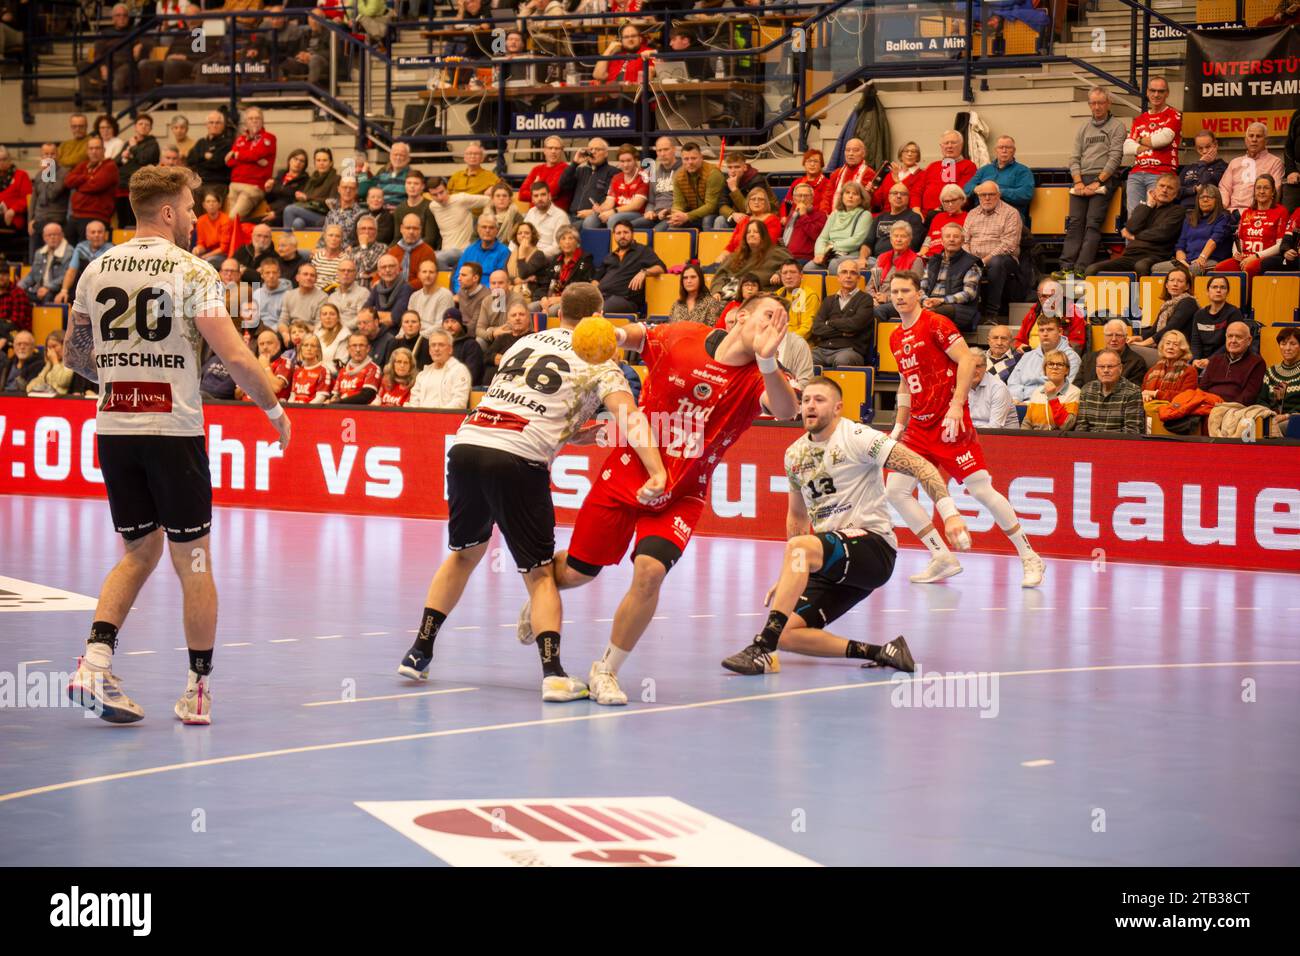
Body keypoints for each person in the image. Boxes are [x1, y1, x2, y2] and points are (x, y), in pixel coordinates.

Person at [61, 163, 290, 725]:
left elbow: (74, 353)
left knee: (138, 551)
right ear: (167, 212)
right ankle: (197, 691)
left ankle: (94, 663)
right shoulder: (193, 272)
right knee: (193, 558)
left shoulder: (96, 267)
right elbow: (235, 356)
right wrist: (274, 409)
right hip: (172, 431)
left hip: (114, 428)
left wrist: (125, 373)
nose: (193, 216)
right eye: (189, 207)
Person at [522, 292, 798, 705]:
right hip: (627, 473)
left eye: (782, 324)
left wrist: (767, 361)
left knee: (650, 571)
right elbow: (628, 337)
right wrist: (608, 332)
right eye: (768, 316)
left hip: (682, 492)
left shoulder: (766, 374)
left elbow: (786, 409)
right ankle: (541, 596)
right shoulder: (683, 335)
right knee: (579, 573)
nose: (774, 327)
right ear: (739, 316)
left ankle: (606, 670)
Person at [396, 282, 667, 702]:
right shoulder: (600, 358)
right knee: (540, 573)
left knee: (465, 553)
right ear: (598, 318)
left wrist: (570, 433)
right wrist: (655, 469)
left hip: (468, 442)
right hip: (517, 457)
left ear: (561, 313)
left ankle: (419, 651)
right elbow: (629, 417)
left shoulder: (528, 341)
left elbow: (526, 400)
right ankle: (554, 674)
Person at [721, 377, 970, 675]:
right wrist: (791, 571)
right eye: (806, 400)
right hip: (832, 557)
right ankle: (884, 651)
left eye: (819, 400)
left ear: (838, 407)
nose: (810, 405)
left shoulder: (858, 437)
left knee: (800, 551)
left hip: (873, 549)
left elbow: (920, 466)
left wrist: (950, 512)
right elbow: (797, 517)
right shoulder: (794, 454)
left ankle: (761, 647)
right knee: (787, 633)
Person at [884, 270, 1045, 587]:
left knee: (982, 490)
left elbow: (968, 361)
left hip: (949, 421)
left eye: (905, 291)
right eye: (894, 292)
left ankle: (1030, 557)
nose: (899, 296)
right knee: (895, 491)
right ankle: (941, 556)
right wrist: (899, 424)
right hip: (918, 425)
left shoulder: (936, 323)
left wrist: (957, 404)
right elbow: (906, 382)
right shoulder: (894, 336)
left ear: (918, 293)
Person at [1059, 87, 1127, 277]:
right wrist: (1078, 182)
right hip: (1081, 180)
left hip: (1104, 179)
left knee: (1092, 223)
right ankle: (1066, 267)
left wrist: (1097, 182)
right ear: (1089, 105)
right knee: (1074, 223)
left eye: (1101, 102)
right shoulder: (1083, 127)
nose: (1097, 107)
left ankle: (1081, 269)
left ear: (1108, 103)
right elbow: (1074, 157)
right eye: (1093, 103)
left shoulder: (1117, 126)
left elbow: (1115, 158)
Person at [1086, 173, 1185, 276]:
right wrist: (1149, 204)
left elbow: (1162, 233)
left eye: (1170, 188)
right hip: (1130, 255)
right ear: (1154, 189)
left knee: (1141, 266)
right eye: (1161, 186)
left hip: (1156, 255)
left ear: (1175, 194)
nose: (1164, 190)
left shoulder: (1178, 211)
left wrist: (1134, 237)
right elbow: (1131, 227)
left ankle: (1141, 293)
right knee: (1092, 269)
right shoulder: (1144, 208)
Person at [963, 181, 1022, 322]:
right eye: (983, 195)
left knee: (996, 263)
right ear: (978, 196)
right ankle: (967, 314)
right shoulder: (972, 213)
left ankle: (991, 313)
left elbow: (1009, 245)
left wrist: (982, 261)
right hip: (974, 258)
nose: (987, 198)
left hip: (1004, 258)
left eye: (991, 194)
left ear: (999, 195)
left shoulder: (1010, 213)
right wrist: (970, 260)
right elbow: (964, 241)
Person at [1123, 76, 1181, 216]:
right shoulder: (1140, 119)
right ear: (1147, 92)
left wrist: (1140, 140)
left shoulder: (1174, 115)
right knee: (1134, 218)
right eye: (1153, 91)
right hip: (1136, 173)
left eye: (1161, 91)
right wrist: (1150, 143)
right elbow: (1126, 148)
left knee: (1155, 217)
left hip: (1161, 174)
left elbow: (1163, 139)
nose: (1156, 95)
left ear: (1167, 93)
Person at [1213, 174, 1289, 277]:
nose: (1261, 191)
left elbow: (1280, 245)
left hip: (1265, 258)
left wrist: (1256, 256)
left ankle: (1248, 294)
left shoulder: (1281, 211)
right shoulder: (1247, 212)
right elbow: (1238, 239)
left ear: (1273, 192)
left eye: (1266, 188)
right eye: (1258, 188)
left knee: (1250, 268)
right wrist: (1235, 253)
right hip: (1244, 258)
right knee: (1220, 268)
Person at [1153, 184, 1233, 276]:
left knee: (1195, 268)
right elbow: (1180, 245)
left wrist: (1202, 257)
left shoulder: (1223, 217)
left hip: (1211, 259)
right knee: (1156, 268)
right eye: (1201, 197)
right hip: (1189, 261)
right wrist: (1181, 262)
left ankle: (1190, 289)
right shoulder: (1190, 219)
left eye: (1210, 197)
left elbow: (1214, 240)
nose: (1205, 200)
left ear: (1217, 200)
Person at [919, 223, 982, 332]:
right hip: (930, 304)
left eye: (956, 237)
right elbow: (922, 287)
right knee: (896, 308)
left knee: (928, 313)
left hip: (958, 309)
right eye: (948, 236)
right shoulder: (933, 261)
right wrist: (924, 300)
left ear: (962, 241)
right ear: (942, 241)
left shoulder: (971, 263)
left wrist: (942, 300)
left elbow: (969, 294)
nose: (951, 240)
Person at [810, 259, 872, 368]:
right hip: (822, 350)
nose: (848, 276)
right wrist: (843, 332)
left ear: (858, 278)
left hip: (850, 350)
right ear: (838, 277)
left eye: (853, 273)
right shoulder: (828, 300)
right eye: (844, 272)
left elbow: (855, 325)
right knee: (804, 359)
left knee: (843, 360)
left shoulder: (865, 299)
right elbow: (817, 328)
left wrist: (829, 323)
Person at [596, 220, 665, 315]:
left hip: (625, 300)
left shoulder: (642, 251)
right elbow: (596, 279)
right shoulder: (610, 256)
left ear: (633, 234)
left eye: (626, 232)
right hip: (602, 296)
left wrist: (644, 272)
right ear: (614, 236)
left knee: (598, 310)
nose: (622, 236)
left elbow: (661, 268)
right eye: (618, 233)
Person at [1007, 313, 1081, 400]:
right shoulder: (1028, 356)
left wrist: (1034, 402)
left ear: (1060, 332)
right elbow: (1013, 383)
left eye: (1050, 330)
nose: (1045, 334)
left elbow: (1065, 387)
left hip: (1050, 403)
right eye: (1041, 330)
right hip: (1020, 404)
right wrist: (1016, 399)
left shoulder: (1071, 357)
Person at [710, 220, 791, 299]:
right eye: (748, 232)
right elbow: (721, 274)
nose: (751, 234)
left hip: (760, 298)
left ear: (763, 235)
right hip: (729, 295)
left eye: (756, 232)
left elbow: (792, 265)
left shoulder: (776, 252)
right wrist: (717, 291)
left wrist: (779, 273)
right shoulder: (735, 256)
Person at [965, 135, 1035, 224]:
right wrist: (976, 189)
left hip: (1009, 215)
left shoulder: (1023, 171)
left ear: (1013, 151)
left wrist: (997, 192)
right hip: (981, 214)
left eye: (1008, 147)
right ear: (996, 150)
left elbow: (1026, 194)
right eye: (1001, 147)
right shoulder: (984, 170)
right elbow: (967, 188)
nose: (1004, 150)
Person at [1218, 123, 1285, 214]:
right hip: (1231, 212)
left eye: (1258, 136)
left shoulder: (1275, 162)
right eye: (1251, 136)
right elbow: (1224, 188)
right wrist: (1223, 208)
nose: (1254, 140)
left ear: (1266, 140)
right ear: (1245, 140)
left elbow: (1275, 192)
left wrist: (1260, 210)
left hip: (1257, 212)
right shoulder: (1235, 162)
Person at [427, 176, 491, 269]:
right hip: (445, 252)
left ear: (447, 190)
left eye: (441, 192)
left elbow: (487, 200)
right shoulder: (433, 207)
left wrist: (485, 219)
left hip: (464, 250)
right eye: (435, 195)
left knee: (437, 258)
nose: (439, 197)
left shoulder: (461, 199)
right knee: (425, 257)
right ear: (429, 195)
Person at [1072, 350, 1145, 433]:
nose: (1105, 370)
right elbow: (1081, 427)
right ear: (1096, 369)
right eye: (1101, 367)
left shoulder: (1133, 392)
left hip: (1119, 443)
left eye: (1110, 366)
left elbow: (1132, 431)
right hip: (1091, 443)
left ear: (1120, 368)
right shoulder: (1086, 389)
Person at [224, 107, 276, 220]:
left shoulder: (269, 138)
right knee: (232, 221)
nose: (254, 121)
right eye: (250, 118)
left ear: (262, 121)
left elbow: (256, 154)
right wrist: (253, 158)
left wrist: (238, 154)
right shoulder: (240, 139)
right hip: (234, 185)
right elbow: (229, 162)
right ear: (246, 122)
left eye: (257, 118)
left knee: (233, 218)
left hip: (253, 187)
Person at [1012, 277, 1086, 355]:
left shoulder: (1072, 312)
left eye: (1052, 296)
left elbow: (1076, 345)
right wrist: (1019, 346)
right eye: (1044, 296)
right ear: (1038, 295)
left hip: (1057, 359)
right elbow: (1019, 340)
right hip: (1030, 357)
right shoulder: (1034, 311)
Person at [811, 181, 873, 272]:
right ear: (842, 196)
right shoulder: (835, 214)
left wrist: (831, 247)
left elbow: (856, 240)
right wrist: (820, 253)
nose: (850, 196)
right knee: (809, 267)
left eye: (855, 194)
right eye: (847, 193)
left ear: (861, 199)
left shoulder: (865, 215)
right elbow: (822, 237)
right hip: (829, 253)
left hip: (850, 254)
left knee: (834, 264)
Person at [1132, 264, 1198, 350]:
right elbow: (1154, 330)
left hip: (1179, 351)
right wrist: (1138, 338)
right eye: (1171, 280)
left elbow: (1171, 328)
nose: (1175, 284)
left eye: (1180, 281)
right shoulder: (1167, 305)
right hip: (1164, 348)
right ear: (1166, 285)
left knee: (1134, 349)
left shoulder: (1189, 302)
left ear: (1187, 286)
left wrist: (1144, 343)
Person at [1200, 321, 1265, 405]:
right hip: (1208, 405)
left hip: (1233, 410)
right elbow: (1201, 389)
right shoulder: (1215, 360)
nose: (1233, 340)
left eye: (1238, 337)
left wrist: (1224, 408)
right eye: (1230, 336)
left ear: (1249, 340)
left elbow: (1248, 396)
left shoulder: (1257, 363)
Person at [867, 221, 922, 321]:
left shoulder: (916, 261)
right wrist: (873, 297)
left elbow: (913, 291)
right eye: (895, 236)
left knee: (878, 311)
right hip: (877, 301)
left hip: (899, 302)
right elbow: (869, 286)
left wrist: (887, 298)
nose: (899, 239)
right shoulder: (881, 258)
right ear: (891, 239)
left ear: (909, 240)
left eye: (903, 236)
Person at [113, 114, 161, 228]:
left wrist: (133, 148)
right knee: (122, 222)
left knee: (134, 221)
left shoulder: (153, 144)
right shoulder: (128, 142)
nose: (143, 126)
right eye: (141, 124)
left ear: (150, 128)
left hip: (138, 187)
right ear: (135, 127)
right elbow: (115, 162)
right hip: (122, 187)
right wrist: (123, 156)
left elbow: (144, 159)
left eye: (147, 125)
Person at [53, 220, 114, 306]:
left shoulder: (112, 250)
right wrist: (64, 291)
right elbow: (71, 271)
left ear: (105, 234)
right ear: (87, 235)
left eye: (99, 232)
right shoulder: (81, 248)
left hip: (104, 289)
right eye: (93, 232)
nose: (96, 235)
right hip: (85, 288)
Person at [917, 130, 976, 218]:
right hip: (923, 214)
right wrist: (916, 209)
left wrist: (941, 208)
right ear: (941, 146)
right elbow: (918, 190)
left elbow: (962, 194)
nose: (949, 146)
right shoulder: (933, 166)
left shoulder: (968, 166)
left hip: (947, 213)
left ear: (961, 145)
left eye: (953, 143)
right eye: (946, 143)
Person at [1187, 274, 1242, 366]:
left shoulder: (1234, 313)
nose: (1218, 290)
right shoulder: (1199, 314)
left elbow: (1232, 343)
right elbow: (1196, 342)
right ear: (1208, 291)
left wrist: (1210, 360)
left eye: (1223, 287)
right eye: (1214, 287)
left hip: (1224, 359)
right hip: (1201, 360)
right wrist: (1195, 359)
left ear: (1227, 292)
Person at [280, 147, 341, 230]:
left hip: (324, 215)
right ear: (315, 163)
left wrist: (307, 198)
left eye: (324, 160)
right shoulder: (312, 178)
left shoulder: (336, 179)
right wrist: (301, 197)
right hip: (309, 212)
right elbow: (305, 199)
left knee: (289, 209)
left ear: (331, 163)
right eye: (318, 160)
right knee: (298, 223)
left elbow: (332, 201)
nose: (321, 163)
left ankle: (286, 240)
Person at [667, 142, 725, 230]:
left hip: (714, 213)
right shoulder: (678, 176)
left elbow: (711, 206)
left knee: (707, 219)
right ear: (681, 160)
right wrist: (677, 214)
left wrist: (687, 216)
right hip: (691, 214)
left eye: (693, 158)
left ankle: (706, 244)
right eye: (686, 159)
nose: (690, 162)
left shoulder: (713, 173)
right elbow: (678, 203)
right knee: (673, 223)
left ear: (701, 157)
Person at [560, 139, 616, 228]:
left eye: (597, 149)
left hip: (593, 217)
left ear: (606, 153)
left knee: (567, 231)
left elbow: (609, 199)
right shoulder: (580, 170)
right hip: (571, 215)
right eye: (590, 149)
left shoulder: (613, 172)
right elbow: (563, 185)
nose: (593, 152)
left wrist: (593, 212)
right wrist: (574, 163)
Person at [539, 226, 593, 316]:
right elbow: (545, 283)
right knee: (530, 309)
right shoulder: (556, 260)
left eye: (570, 238)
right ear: (559, 243)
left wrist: (561, 298)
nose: (567, 242)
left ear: (577, 242)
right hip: (550, 299)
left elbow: (583, 289)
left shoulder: (585, 260)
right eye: (563, 238)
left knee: (552, 312)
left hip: (570, 301)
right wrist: (543, 297)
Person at [1075, 319, 1146, 387]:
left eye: (1118, 335)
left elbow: (1133, 392)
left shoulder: (1137, 362)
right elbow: (1077, 387)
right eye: (1109, 335)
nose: (1114, 339)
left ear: (1126, 337)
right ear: (1104, 337)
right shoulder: (1088, 358)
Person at [1021, 351, 1080, 430]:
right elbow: (1027, 424)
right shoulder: (1037, 392)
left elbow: (1067, 425)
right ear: (1045, 369)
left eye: (1059, 364)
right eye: (1050, 364)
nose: (1055, 367)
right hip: (1035, 440)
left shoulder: (1074, 392)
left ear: (1067, 370)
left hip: (1059, 440)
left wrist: (1052, 397)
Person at [452, 213, 509, 293]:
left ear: (497, 230)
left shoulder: (504, 252)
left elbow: (500, 281)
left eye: (491, 227)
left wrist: (477, 293)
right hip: (466, 295)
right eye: (484, 227)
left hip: (490, 295)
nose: (487, 230)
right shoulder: (469, 250)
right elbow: (458, 276)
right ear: (478, 229)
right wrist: (460, 293)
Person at [1258, 327, 1300, 433]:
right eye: (1283, 343)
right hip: (1272, 418)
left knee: (1272, 429)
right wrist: (1271, 414)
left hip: (1295, 420)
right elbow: (1261, 400)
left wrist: (1287, 416)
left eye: (1293, 344)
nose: (1287, 348)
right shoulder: (1271, 372)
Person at [19, 223, 73, 305]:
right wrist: (19, 287)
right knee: (18, 295)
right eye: (49, 235)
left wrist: (47, 288)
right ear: (44, 237)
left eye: (55, 234)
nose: (52, 237)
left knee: (47, 296)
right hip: (38, 289)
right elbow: (32, 275)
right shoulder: (39, 253)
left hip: (56, 291)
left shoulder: (69, 252)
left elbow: (65, 277)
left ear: (62, 235)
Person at [186, 112, 235, 202]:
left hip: (217, 183)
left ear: (223, 125)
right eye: (211, 122)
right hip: (199, 182)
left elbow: (219, 164)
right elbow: (190, 160)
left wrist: (201, 159)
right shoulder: (201, 142)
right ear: (207, 125)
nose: (214, 125)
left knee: (209, 199)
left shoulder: (228, 143)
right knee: (188, 197)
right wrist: (204, 156)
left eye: (217, 123)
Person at [1141, 330, 1198, 404]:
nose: (1171, 347)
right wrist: (1145, 396)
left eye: (1175, 345)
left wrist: (1156, 394)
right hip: (1149, 408)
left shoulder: (1189, 371)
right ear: (1162, 347)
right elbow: (1144, 391)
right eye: (1168, 343)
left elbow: (1186, 397)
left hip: (1173, 410)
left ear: (1183, 349)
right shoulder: (1153, 369)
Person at [967, 348, 1018, 428]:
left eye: (978, 366)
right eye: (969, 366)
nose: (974, 370)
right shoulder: (957, 385)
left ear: (985, 367)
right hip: (970, 433)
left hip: (1001, 436)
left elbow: (995, 427)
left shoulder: (998, 388)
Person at [518, 136, 570, 211]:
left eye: (557, 148)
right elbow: (521, 195)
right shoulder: (536, 169)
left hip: (554, 215)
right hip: (534, 214)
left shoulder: (565, 169)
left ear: (562, 151)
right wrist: (539, 192)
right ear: (544, 150)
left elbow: (552, 192)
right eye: (550, 148)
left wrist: (533, 189)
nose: (553, 151)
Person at [873, 182, 926, 255]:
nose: (898, 196)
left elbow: (913, 244)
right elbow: (868, 242)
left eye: (903, 194)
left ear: (908, 198)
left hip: (899, 259)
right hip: (874, 259)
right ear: (889, 197)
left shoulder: (914, 218)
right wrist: (862, 258)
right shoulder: (880, 218)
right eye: (895, 193)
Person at [1179, 130, 1227, 208]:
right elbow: (1176, 192)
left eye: (1208, 147)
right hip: (1184, 210)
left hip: (1208, 211)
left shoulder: (1222, 167)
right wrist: (1193, 190)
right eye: (1200, 148)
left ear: (1215, 145)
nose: (1204, 151)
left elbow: (1206, 185)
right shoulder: (1188, 168)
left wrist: (1202, 164)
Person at [871, 141, 924, 214]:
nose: (909, 154)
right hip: (885, 215)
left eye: (913, 152)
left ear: (918, 156)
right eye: (906, 151)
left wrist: (897, 180)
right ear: (900, 155)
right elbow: (878, 201)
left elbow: (913, 199)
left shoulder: (922, 175)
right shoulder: (890, 174)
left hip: (906, 215)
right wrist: (871, 192)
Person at [781, 183, 828, 264]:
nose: (802, 199)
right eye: (799, 196)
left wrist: (803, 215)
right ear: (794, 198)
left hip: (804, 258)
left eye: (806, 196)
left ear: (812, 199)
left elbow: (815, 235)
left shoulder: (821, 215)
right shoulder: (792, 214)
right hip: (786, 256)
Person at [522, 181, 569, 260]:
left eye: (543, 194)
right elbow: (520, 233)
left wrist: (536, 255)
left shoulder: (560, 216)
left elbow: (558, 247)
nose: (540, 198)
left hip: (547, 258)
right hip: (528, 254)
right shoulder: (531, 212)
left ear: (549, 196)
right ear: (532, 199)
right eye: (536, 196)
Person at [826, 138, 875, 213]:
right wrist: (825, 213)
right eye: (848, 150)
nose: (850, 154)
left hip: (858, 216)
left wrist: (871, 193)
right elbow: (827, 197)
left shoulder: (869, 173)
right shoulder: (836, 173)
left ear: (863, 153)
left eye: (855, 150)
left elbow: (871, 203)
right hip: (834, 215)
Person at [773, 261, 818, 342]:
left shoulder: (809, 296)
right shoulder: (777, 294)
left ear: (801, 275)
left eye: (793, 272)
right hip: (777, 342)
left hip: (799, 345)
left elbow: (806, 329)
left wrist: (785, 340)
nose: (788, 276)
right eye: (784, 273)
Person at [406, 259, 453, 337]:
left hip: (435, 339)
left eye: (431, 272)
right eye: (424, 272)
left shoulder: (445, 295)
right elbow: (407, 320)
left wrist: (418, 335)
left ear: (437, 274)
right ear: (419, 275)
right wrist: (400, 336)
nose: (427, 275)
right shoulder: (414, 296)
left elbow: (441, 325)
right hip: (414, 336)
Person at [282, 333, 334, 403]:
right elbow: (292, 396)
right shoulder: (297, 371)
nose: (309, 348)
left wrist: (304, 410)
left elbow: (320, 398)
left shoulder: (324, 370)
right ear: (301, 349)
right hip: (296, 409)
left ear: (318, 350)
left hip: (312, 410)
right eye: (306, 345)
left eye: (313, 346)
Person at [921, 184, 969, 258]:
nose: (950, 204)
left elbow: (967, 244)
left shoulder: (968, 218)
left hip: (952, 258)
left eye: (953, 200)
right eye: (946, 201)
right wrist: (921, 254)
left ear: (962, 200)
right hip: (930, 257)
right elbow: (928, 240)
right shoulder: (938, 217)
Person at [507, 221, 550, 302]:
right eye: (520, 233)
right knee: (497, 293)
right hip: (512, 288)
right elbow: (505, 275)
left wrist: (522, 252)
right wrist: (521, 280)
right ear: (516, 236)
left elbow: (523, 273)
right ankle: (497, 314)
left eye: (526, 233)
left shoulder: (538, 255)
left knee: (508, 298)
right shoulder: (512, 253)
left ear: (532, 236)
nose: (523, 235)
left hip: (530, 292)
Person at [367, 254, 413, 329]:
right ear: (378, 272)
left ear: (398, 270)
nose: (387, 270)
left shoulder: (406, 289)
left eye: (391, 266)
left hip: (394, 333)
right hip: (375, 330)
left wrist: (374, 316)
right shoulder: (376, 288)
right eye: (383, 267)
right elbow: (364, 312)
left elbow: (393, 319)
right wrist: (385, 315)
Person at [25, 329, 75, 396]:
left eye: (54, 346)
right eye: (48, 348)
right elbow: (38, 380)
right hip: (48, 398)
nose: (51, 351)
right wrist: (31, 388)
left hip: (63, 400)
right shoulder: (50, 364)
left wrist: (55, 361)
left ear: (65, 345)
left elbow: (63, 381)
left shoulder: (71, 361)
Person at [441, 308, 484, 384]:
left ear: (461, 324)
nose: (449, 325)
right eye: (446, 322)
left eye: (453, 321)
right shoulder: (440, 346)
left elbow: (471, 375)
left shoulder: (471, 345)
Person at [192, 191, 233, 265]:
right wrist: (197, 249)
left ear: (219, 204)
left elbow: (223, 248)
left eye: (214, 201)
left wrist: (205, 256)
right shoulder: (201, 220)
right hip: (208, 252)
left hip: (224, 254)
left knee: (206, 262)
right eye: (208, 201)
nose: (211, 204)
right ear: (204, 205)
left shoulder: (226, 220)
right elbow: (201, 243)